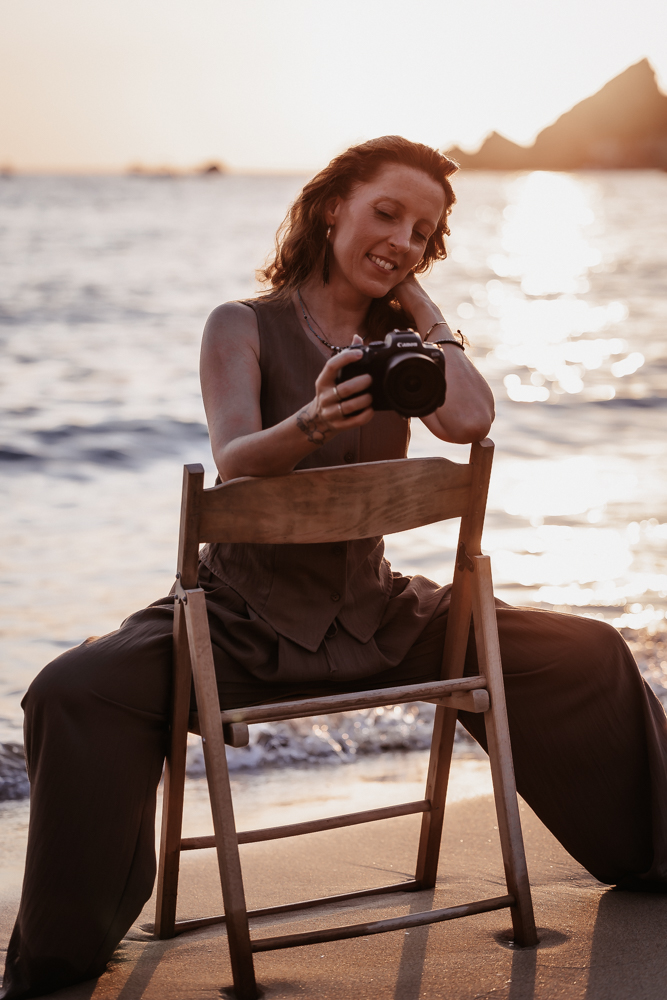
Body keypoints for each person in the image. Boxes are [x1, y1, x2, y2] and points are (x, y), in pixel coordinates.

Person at [3, 135, 667, 1000]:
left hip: (382, 617)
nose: (401, 237)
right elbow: (234, 459)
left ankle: (653, 854)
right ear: (331, 208)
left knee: (587, 650)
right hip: (237, 623)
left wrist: (425, 310)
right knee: (74, 688)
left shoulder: (407, 342)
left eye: (422, 231)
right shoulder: (239, 325)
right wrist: (309, 425)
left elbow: (470, 424)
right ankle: (58, 958)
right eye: (385, 213)